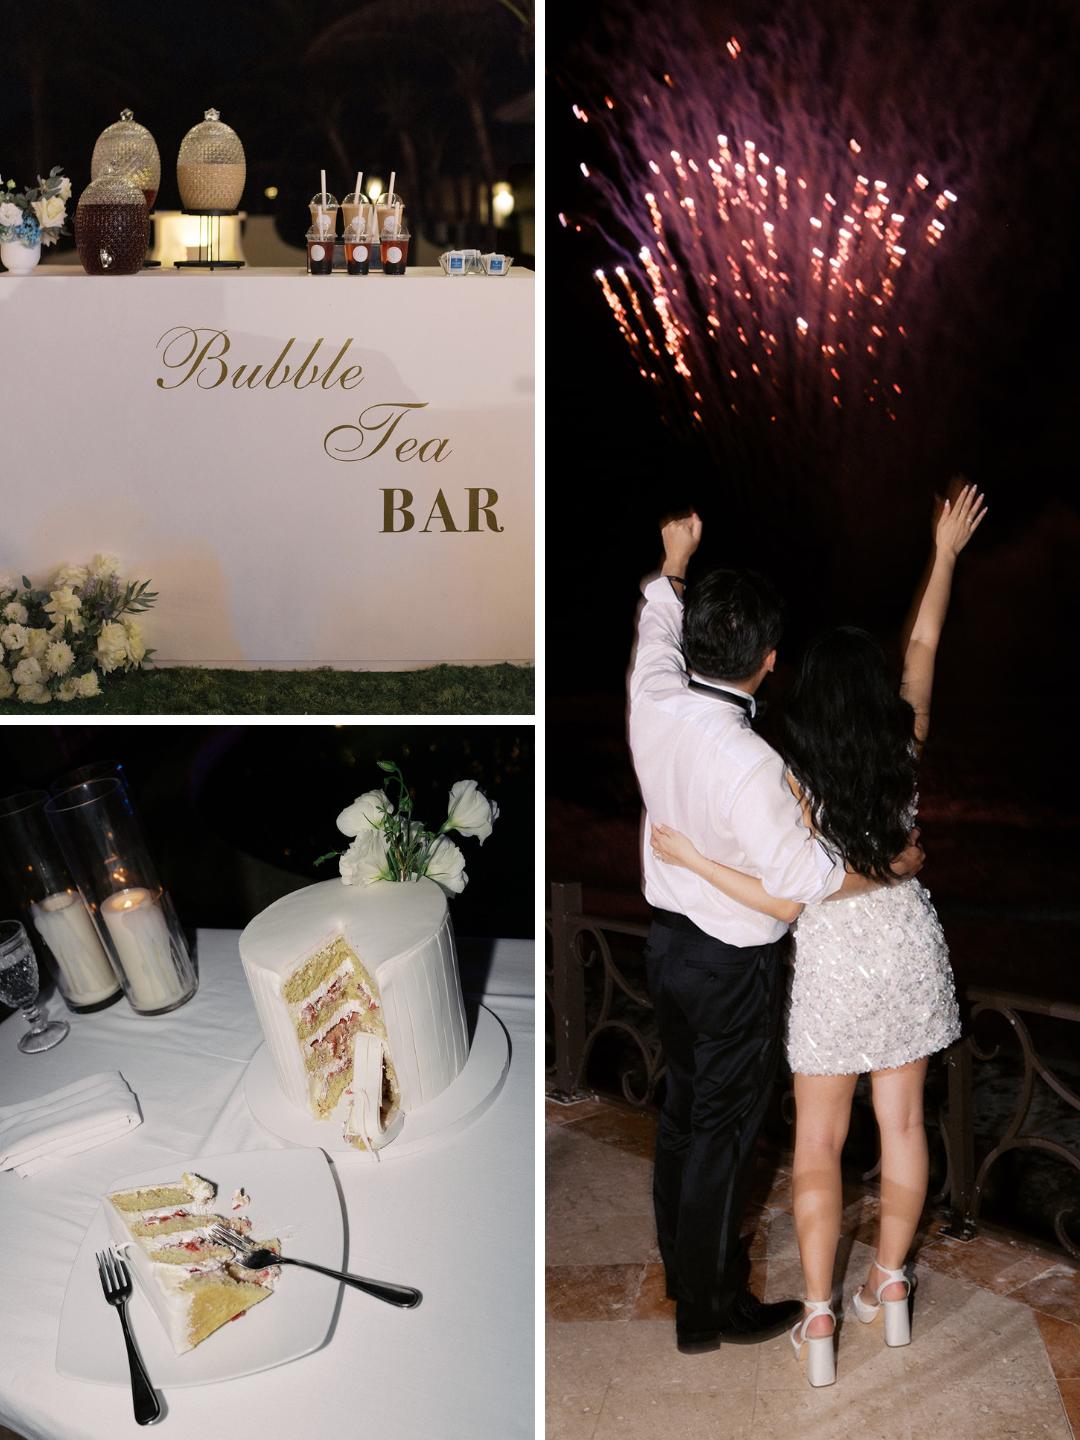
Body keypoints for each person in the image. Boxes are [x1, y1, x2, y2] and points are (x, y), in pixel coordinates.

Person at [650, 484, 987, 1385]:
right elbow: (922, 642)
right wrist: (944, 553)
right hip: (905, 948)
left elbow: (782, 889)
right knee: (907, 1125)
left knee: (818, 1145)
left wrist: (686, 857)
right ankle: (891, 1291)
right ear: (875, 694)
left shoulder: (786, 769)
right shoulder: (904, 737)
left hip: (832, 957)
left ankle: (823, 1324)